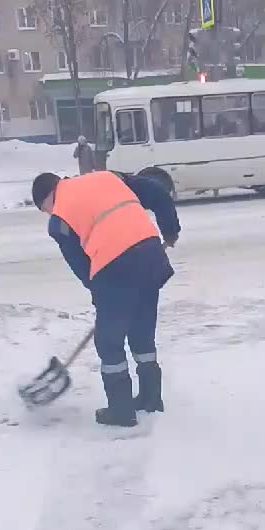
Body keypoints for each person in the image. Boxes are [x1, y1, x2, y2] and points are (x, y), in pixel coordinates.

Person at [31, 170, 180, 427]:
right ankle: (151, 399)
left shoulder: (59, 219)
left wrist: (101, 294)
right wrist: (170, 230)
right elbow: (158, 192)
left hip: (115, 267)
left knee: (109, 341)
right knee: (141, 331)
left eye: (45, 209)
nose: (49, 214)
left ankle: (121, 411)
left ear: (49, 197)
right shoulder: (107, 178)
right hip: (152, 256)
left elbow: (81, 265)